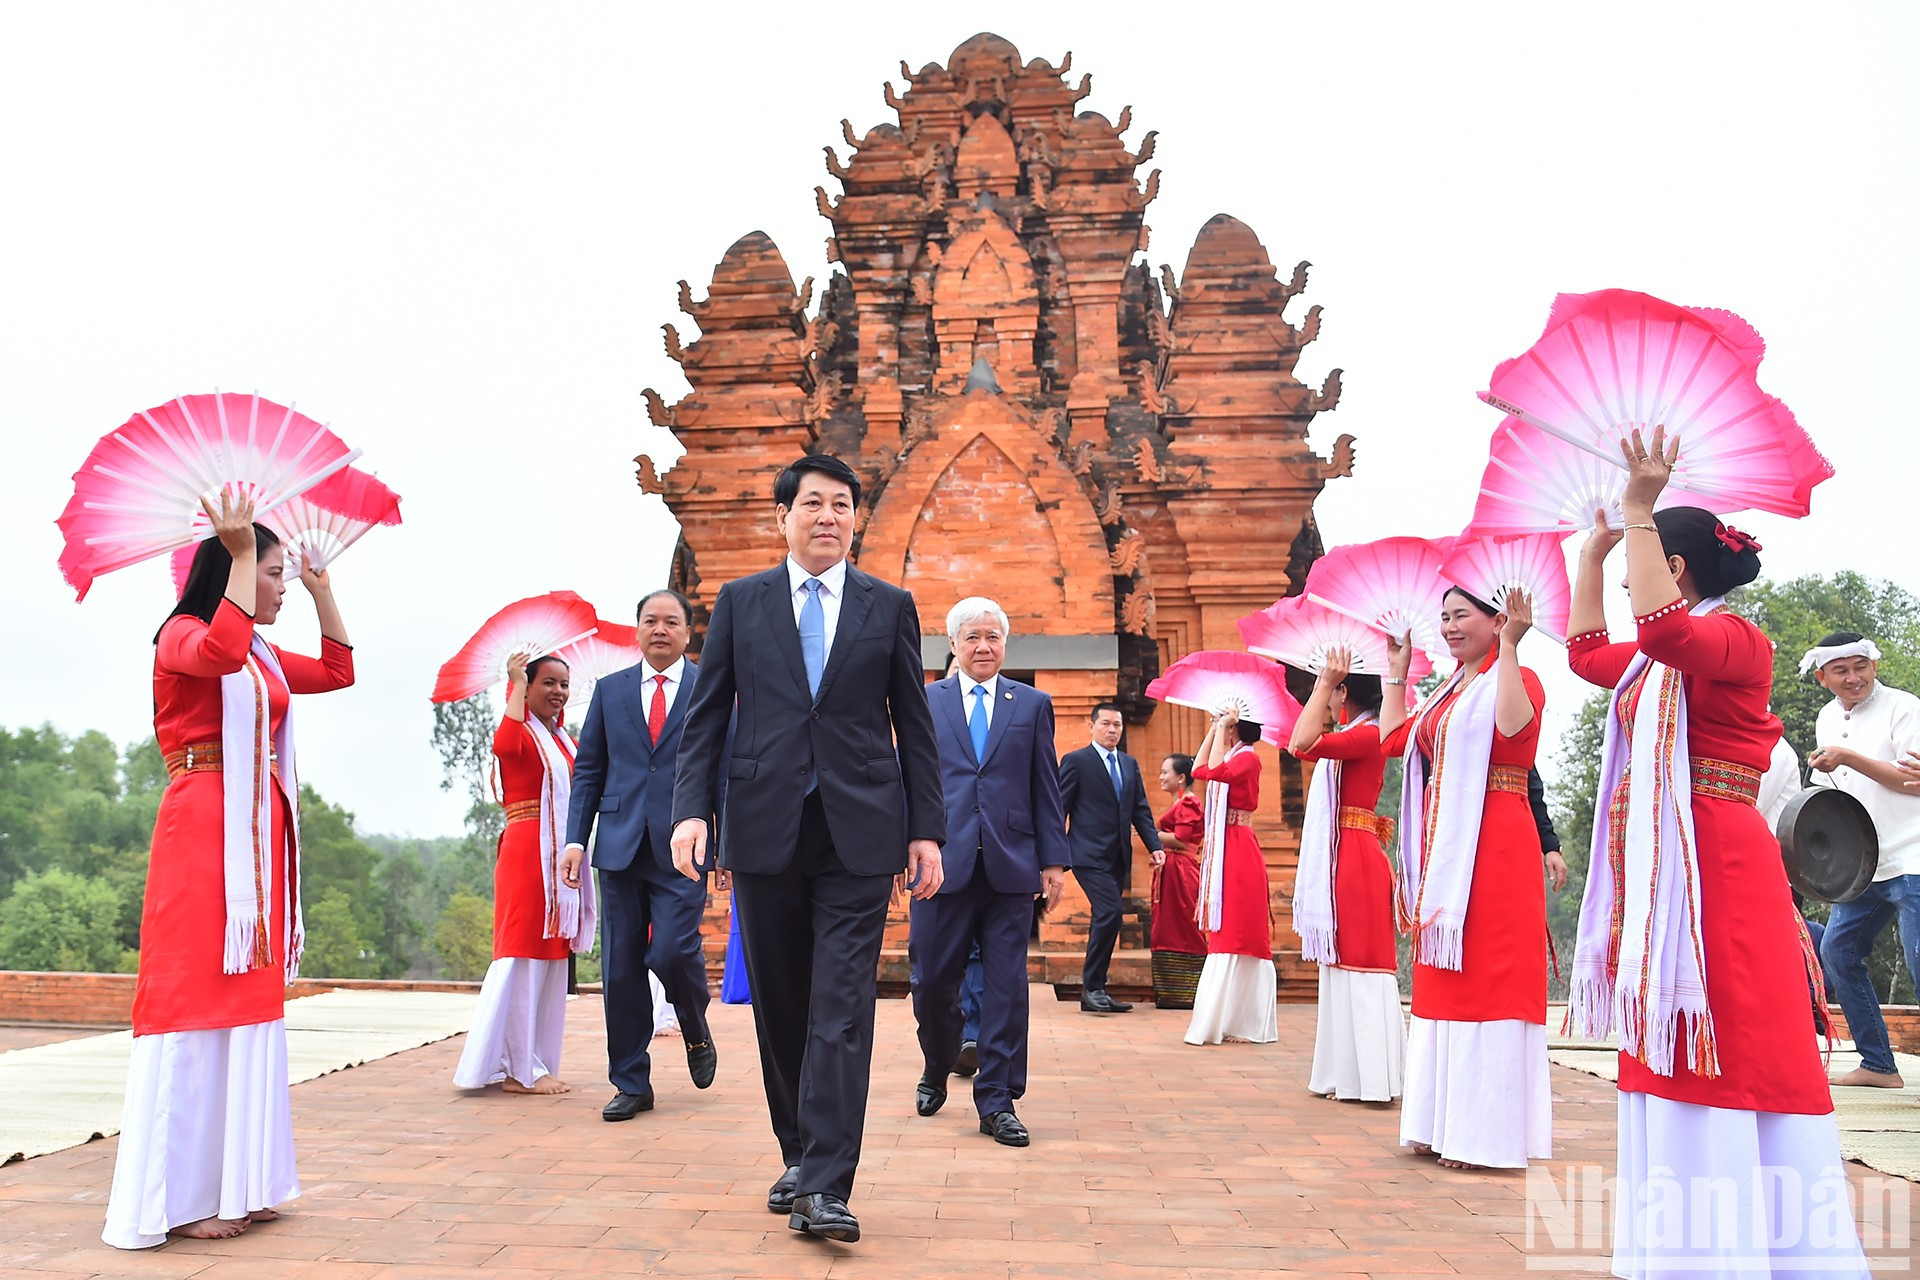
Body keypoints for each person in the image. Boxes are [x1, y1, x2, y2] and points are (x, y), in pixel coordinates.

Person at [1565, 426, 1868, 1275]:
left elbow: (1662, 635)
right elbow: (1591, 657)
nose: (1629, 575)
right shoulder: (1660, 661)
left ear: (1680, 566)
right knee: (1674, 1031)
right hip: (1671, 860)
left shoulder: (1737, 640)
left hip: (1720, 866)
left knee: (1730, 1032)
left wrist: (1637, 505)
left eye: (1640, 559)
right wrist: (1593, 553)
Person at [668, 453, 945, 1245]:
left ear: (855, 521)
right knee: (784, 1004)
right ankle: (799, 1151)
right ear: (783, 517)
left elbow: (913, 727)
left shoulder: (889, 605)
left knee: (841, 1006)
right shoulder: (740, 603)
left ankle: (826, 1184)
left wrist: (926, 828)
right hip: (763, 824)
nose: (829, 516)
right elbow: (708, 716)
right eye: (814, 504)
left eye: (842, 506)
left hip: (860, 829)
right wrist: (693, 812)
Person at [104, 492, 354, 1248]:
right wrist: (245, 551)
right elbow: (214, 654)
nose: (277, 586)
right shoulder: (182, 635)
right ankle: (177, 1200)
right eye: (273, 574)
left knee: (248, 1001)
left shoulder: (265, 654)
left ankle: (242, 1182)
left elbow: (339, 671)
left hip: (256, 834)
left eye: (279, 575)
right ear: (234, 568)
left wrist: (321, 589)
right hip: (202, 830)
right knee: (194, 998)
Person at [1380, 583, 1549, 1170]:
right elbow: (1396, 740)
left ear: (1496, 618)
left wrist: (1509, 647)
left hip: (1498, 840)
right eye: (1444, 617)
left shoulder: (1519, 679)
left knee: (1491, 972)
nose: (1450, 626)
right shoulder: (1446, 695)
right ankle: (1439, 1123)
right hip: (1448, 850)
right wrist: (1396, 674)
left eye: (1462, 616)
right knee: (1445, 978)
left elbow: (1509, 730)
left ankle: (1486, 1134)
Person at [910, 597, 1070, 1147]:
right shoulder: (924, 701)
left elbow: (1044, 785)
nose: (984, 646)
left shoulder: (1031, 704)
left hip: (1011, 864)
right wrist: (904, 848)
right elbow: (907, 781)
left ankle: (998, 1099)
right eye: (972, 637)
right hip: (939, 864)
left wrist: (1053, 860)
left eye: (993, 637)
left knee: (1006, 988)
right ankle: (938, 1061)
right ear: (952, 644)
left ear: (1005, 644)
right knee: (932, 980)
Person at [563, 589, 719, 1120]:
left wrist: (724, 845)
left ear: (687, 631)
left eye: (671, 622)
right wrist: (575, 839)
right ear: (637, 629)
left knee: (672, 952)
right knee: (622, 968)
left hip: (684, 846)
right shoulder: (610, 692)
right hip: (620, 845)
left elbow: (723, 771)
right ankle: (631, 1081)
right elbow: (589, 770)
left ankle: (694, 1027)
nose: (660, 629)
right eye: (650, 621)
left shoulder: (710, 687)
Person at [453, 651, 594, 1094]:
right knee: (521, 953)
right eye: (547, 683)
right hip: (526, 849)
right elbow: (504, 747)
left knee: (551, 956)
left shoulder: (563, 741)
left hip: (561, 855)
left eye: (563, 685)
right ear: (527, 688)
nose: (558, 692)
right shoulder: (518, 732)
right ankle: (517, 1067)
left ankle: (535, 1061)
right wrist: (512, 682)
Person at [1286, 647, 1402, 1100]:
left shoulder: (1368, 734)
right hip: (1345, 852)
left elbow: (1303, 743)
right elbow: (1305, 739)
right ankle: (1346, 1074)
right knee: (1341, 964)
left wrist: (1321, 684)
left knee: (1360, 964)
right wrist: (1325, 686)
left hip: (1355, 857)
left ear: (1345, 693)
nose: (1329, 704)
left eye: (1334, 694)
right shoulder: (1358, 732)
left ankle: (1369, 1079)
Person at [1805, 630, 1920, 1088]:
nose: (1854, 677)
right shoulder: (1826, 718)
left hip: (1913, 854)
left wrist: (1849, 756)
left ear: (1874, 665)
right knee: (1836, 952)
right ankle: (1878, 1064)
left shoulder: (1903, 706)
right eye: (1841, 670)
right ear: (1823, 677)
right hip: (1865, 864)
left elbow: (1912, 782)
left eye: (1861, 666)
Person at [1180, 708, 1276, 1044]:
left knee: (1239, 931)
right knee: (1225, 931)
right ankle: (1223, 1020)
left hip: (1237, 847)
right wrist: (1213, 729)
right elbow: (1197, 769)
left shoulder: (1248, 758)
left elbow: (1214, 772)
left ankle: (1244, 1022)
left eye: (1228, 725)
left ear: (1237, 727)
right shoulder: (1235, 754)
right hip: (1226, 844)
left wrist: (1221, 729)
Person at [1059, 703, 1163, 1013]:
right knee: (1110, 912)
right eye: (1105, 724)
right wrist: (1050, 854)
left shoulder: (1128, 764)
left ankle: (1097, 989)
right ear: (1091, 727)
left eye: (1117, 724)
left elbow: (1140, 808)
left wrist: (1154, 844)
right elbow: (1059, 808)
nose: (1112, 729)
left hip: (1118, 855)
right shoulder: (1076, 761)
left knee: (1106, 917)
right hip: (1086, 853)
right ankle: (1091, 988)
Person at [1149, 753, 1207, 1009]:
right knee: (1169, 923)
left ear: (1181, 777)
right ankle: (1172, 992)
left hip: (1182, 870)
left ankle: (1191, 990)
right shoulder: (1181, 802)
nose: (1161, 777)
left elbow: (1182, 838)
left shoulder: (1188, 804)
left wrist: (1151, 833)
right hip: (1173, 869)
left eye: (1165, 772)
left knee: (1185, 922)